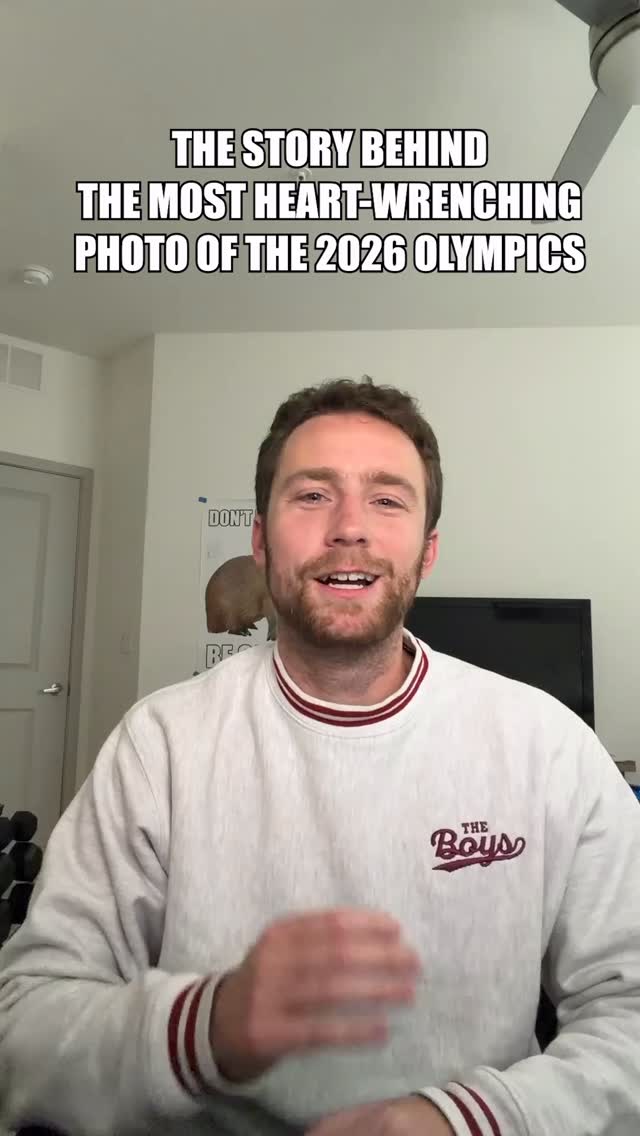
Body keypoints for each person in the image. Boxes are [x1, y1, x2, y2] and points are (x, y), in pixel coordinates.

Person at [1, 376, 639, 1136]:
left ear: (428, 550)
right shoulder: (159, 745)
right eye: (312, 495)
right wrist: (205, 1028)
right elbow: (26, 1024)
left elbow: (628, 1010)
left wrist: (467, 1120)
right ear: (261, 542)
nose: (349, 528)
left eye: (387, 499)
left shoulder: (549, 746)